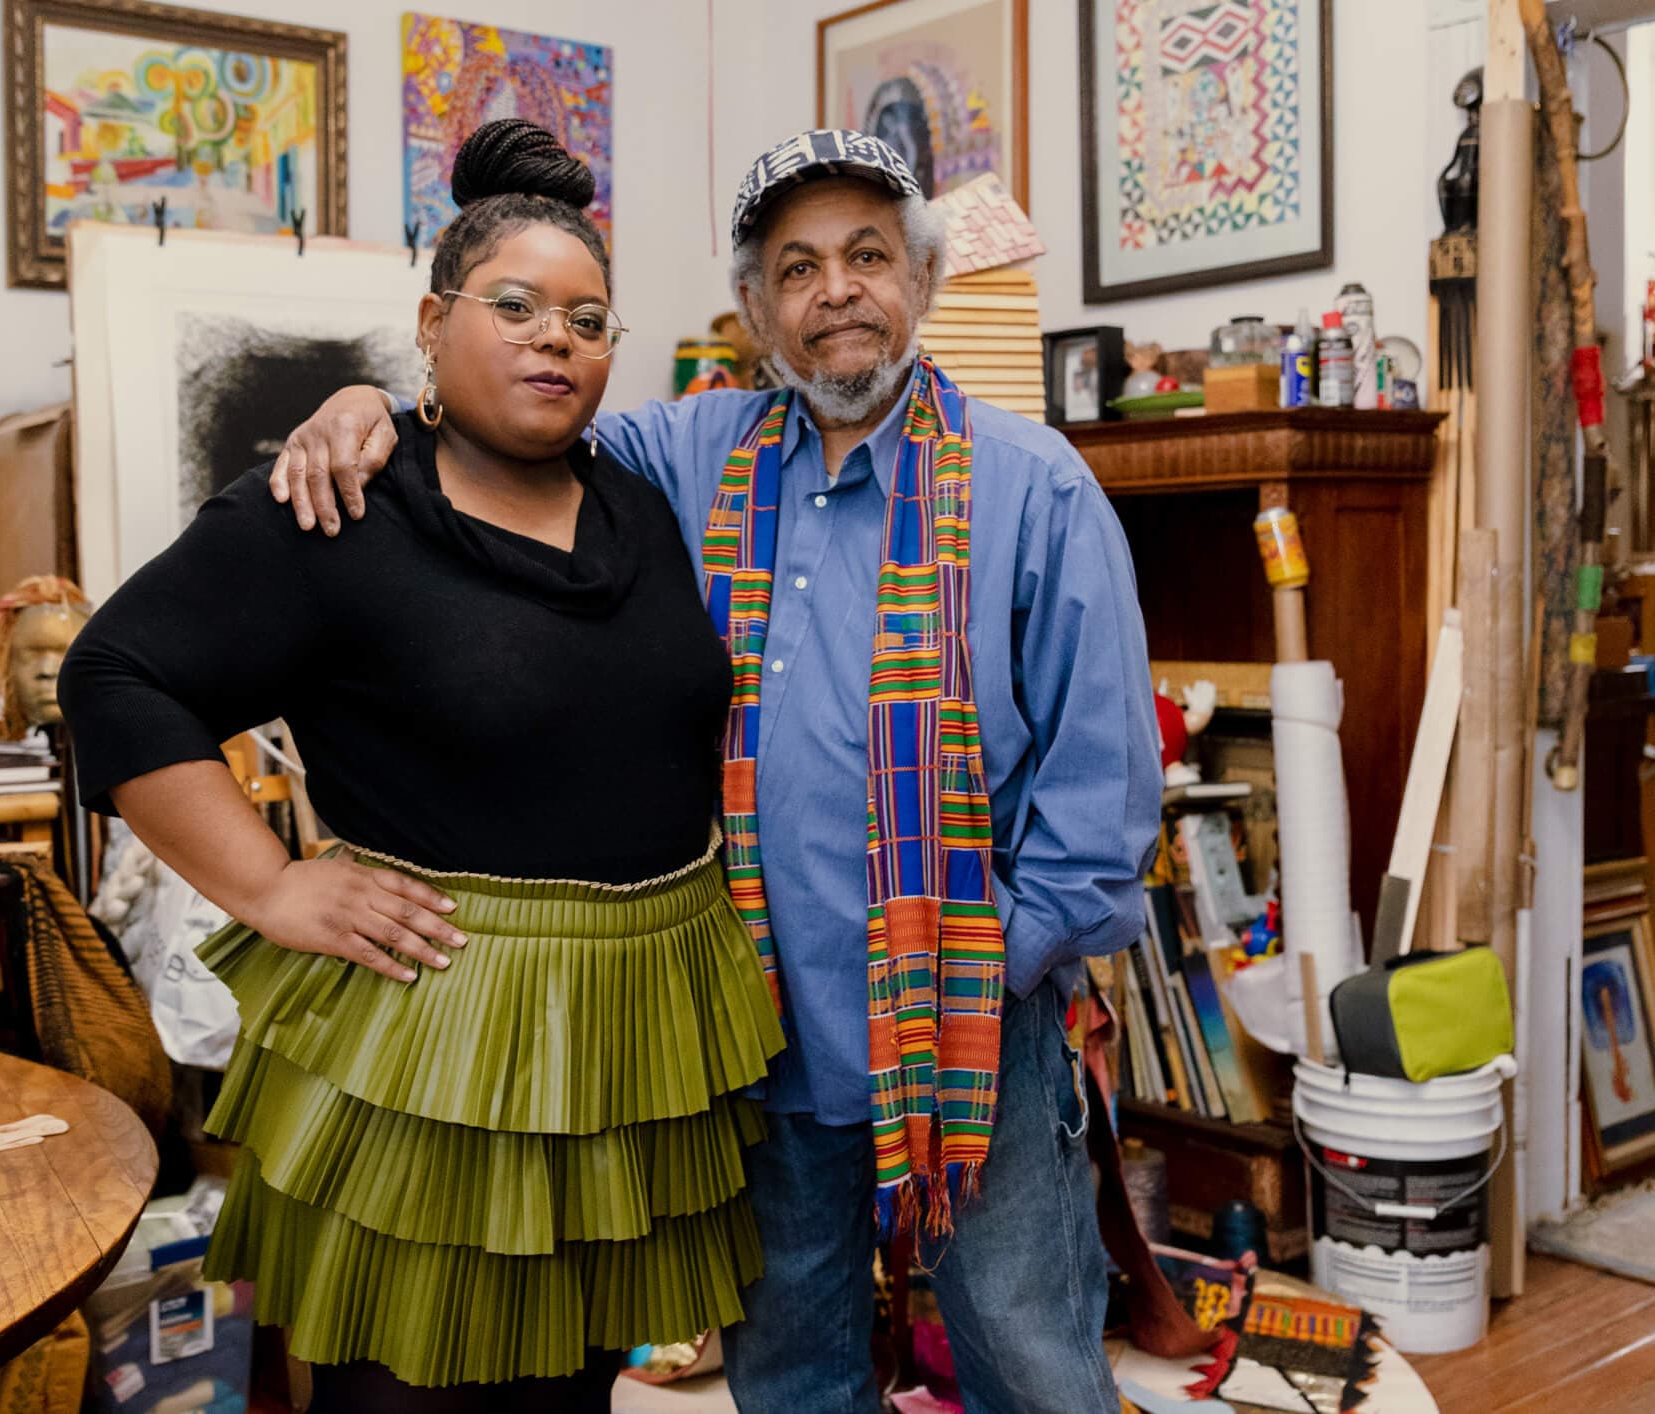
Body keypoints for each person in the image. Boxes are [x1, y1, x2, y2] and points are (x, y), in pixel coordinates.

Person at [269, 129, 1163, 1414]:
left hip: (975, 1023)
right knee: (790, 1377)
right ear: (755, 310)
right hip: (761, 1033)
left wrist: (990, 964)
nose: (836, 290)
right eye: (796, 268)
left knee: (1033, 1367)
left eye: (867, 255)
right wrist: (368, 399)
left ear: (922, 279)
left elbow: (1100, 799)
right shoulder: (681, 460)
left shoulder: (1035, 488)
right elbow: (511, 418)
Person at [57, 120, 783, 1413]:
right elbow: (115, 676)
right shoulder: (339, 506)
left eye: (589, 316)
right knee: (412, 1393)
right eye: (516, 305)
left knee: (569, 1390)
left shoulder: (648, 502)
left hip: (627, 1035)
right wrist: (274, 887)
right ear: (435, 320)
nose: (557, 335)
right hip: (437, 1031)